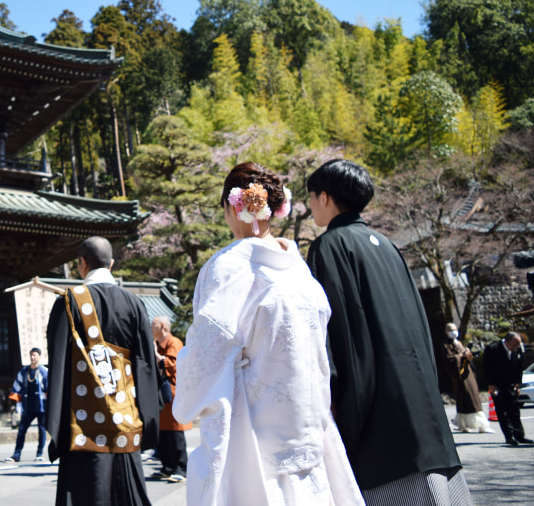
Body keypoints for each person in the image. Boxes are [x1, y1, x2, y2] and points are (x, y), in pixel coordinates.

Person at [172, 162, 362, 505]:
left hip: (251, 431)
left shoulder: (227, 265)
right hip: (307, 421)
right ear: (277, 208)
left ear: (233, 206)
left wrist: (185, 401)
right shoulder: (300, 270)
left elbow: (206, 352)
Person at [306, 159, 470, 504]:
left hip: (378, 404)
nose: (309, 207)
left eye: (311, 198)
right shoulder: (387, 245)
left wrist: (333, 393)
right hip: (419, 396)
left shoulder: (329, 246)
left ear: (325, 197)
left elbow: (337, 332)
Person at [44, 236, 159, 506]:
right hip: (125, 420)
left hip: (82, 424)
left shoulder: (69, 302)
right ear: (112, 264)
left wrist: (57, 424)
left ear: (81, 264)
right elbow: (145, 365)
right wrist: (148, 416)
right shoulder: (134, 304)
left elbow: (58, 362)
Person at [149, 316, 189, 484]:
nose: (151, 327)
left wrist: (157, 354)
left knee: (174, 432)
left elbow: (174, 365)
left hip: (172, 392)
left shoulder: (174, 342)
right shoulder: (157, 343)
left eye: (154, 325)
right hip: (160, 393)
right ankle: (167, 467)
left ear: (163, 326)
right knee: (162, 432)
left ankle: (180, 467)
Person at [442, 323, 492, 434]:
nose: (454, 332)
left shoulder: (458, 342)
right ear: (446, 332)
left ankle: (480, 425)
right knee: (465, 399)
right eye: (451, 330)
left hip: (467, 373)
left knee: (474, 398)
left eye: (455, 329)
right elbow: (449, 359)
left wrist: (468, 355)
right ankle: (466, 425)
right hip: (459, 375)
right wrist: (462, 356)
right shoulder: (446, 344)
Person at [482, 332, 530, 445]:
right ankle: (509, 436)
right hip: (497, 384)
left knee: (514, 410)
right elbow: (487, 368)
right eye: (514, 345)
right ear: (507, 342)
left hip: (511, 383)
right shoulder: (493, 349)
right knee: (502, 411)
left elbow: (519, 366)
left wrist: (518, 383)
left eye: (517, 345)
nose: (515, 347)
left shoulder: (517, 350)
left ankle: (519, 435)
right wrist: (490, 384)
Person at [4, 347, 49, 463]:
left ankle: (39, 454)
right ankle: (16, 454)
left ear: (39, 357)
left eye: (35, 355)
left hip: (41, 405)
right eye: (31, 355)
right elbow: (17, 388)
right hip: (28, 405)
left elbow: (49, 389)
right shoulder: (24, 372)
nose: (33, 357)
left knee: (42, 430)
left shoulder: (44, 372)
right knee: (22, 430)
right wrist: (18, 403)